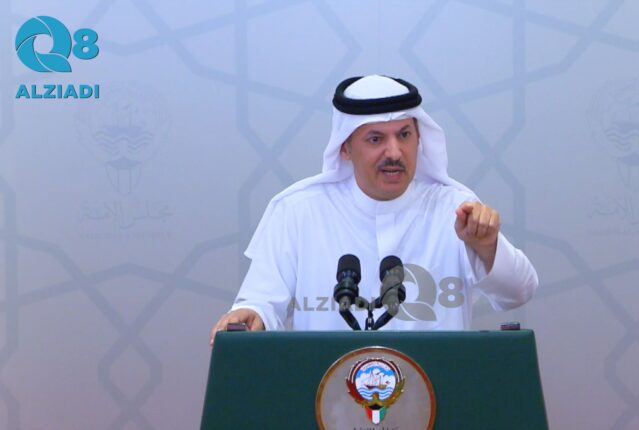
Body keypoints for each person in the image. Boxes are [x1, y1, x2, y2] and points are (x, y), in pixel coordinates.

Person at [210, 75, 537, 343]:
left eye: (404, 135)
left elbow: (518, 293)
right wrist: (252, 315)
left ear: (419, 139)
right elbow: (262, 302)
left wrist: (487, 246)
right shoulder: (298, 211)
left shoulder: (454, 207)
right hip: (326, 396)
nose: (394, 152)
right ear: (345, 148)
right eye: (376, 139)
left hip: (436, 395)